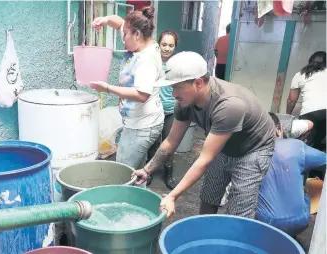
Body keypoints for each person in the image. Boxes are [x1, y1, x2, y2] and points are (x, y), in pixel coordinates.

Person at [133, 51, 276, 219]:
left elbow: (204, 159)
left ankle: (234, 240)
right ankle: (205, 231)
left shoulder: (229, 105)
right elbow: (171, 141)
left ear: (198, 83)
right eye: (172, 87)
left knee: (239, 209)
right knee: (209, 196)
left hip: (253, 149)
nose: (173, 94)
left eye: (177, 87)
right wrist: (147, 169)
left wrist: (172, 196)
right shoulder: (184, 102)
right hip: (225, 145)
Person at [90, 6, 164, 183]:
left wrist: (107, 88)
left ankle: (124, 204)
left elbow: (141, 94)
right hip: (140, 120)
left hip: (142, 125)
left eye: (125, 35)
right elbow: (120, 23)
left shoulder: (146, 60)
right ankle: (140, 202)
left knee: (123, 172)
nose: (122, 38)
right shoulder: (141, 39)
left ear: (137, 35)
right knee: (138, 173)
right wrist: (106, 19)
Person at [256, 113, 326, 236]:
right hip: (298, 221)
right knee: (305, 191)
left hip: (263, 220)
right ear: (279, 130)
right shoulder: (296, 145)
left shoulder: (251, 150)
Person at [146, 30, 179, 189]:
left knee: (169, 143)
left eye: (171, 45)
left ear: (175, 46)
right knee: (152, 142)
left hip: (171, 110)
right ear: (159, 44)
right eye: (164, 44)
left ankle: (169, 174)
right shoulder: (154, 62)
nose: (167, 48)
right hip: (154, 109)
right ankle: (149, 172)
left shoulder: (178, 64)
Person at [287, 51, 326, 153]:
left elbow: (291, 100)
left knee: (305, 144)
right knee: (320, 141)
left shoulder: (300, 75)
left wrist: (288, 115)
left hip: (310, 113)